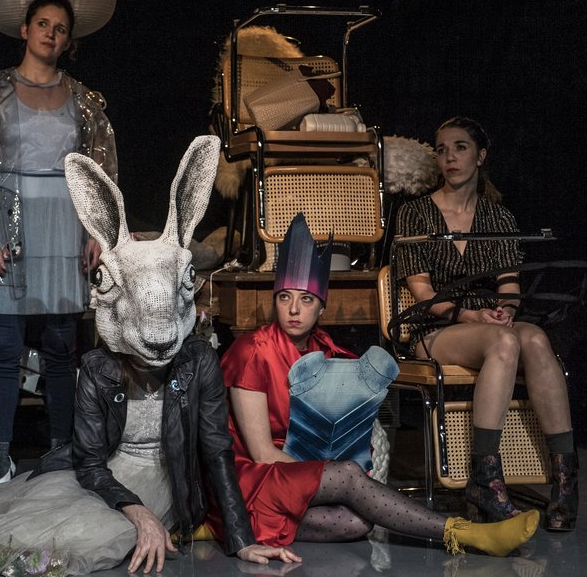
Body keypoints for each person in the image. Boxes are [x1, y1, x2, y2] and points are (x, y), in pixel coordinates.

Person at [0, 137, 297, 575]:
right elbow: (89, 461)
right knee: (25, 528)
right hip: (105, 480)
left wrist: (242, 541)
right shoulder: (99, 369)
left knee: (82, 540)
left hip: (165, 481)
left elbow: (216, 450)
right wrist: (137, 511)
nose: (157, 335)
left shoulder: (197, 361)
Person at [210, 213, 540, 557]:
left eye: (306, 299)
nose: (294, 309)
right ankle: (467, 534)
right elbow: (262, 454)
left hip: (293, 475)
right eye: (284, 297)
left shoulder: (327, 351)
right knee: (348, 477)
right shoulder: (252, 351)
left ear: (321, 307)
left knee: (357, 523)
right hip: (255, 477)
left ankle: (249, 525)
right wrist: (333, 475)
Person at [0, 0, 118, 484]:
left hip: (64, 225)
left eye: (61, 28)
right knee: (5, 347)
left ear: (69, 41)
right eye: (43, 23)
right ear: (25, 30)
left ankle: (60, 451)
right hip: (8, 225)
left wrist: (97, 231)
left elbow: (100, 173)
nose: (51, 33)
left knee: (61, 348)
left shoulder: (85, 101)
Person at [395, 116, 579, 531]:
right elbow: (422, 292)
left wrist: (506, 310)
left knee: (535, 339)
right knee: (504, 342)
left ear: (479, 156)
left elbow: (509, 285)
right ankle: (485, 480)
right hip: (437, 328)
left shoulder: (499, 219)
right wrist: (468, 315)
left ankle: (566, 479)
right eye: (442, 150)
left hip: (488, 323)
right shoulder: (415, 214)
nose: (450, 157)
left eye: (460, 148)